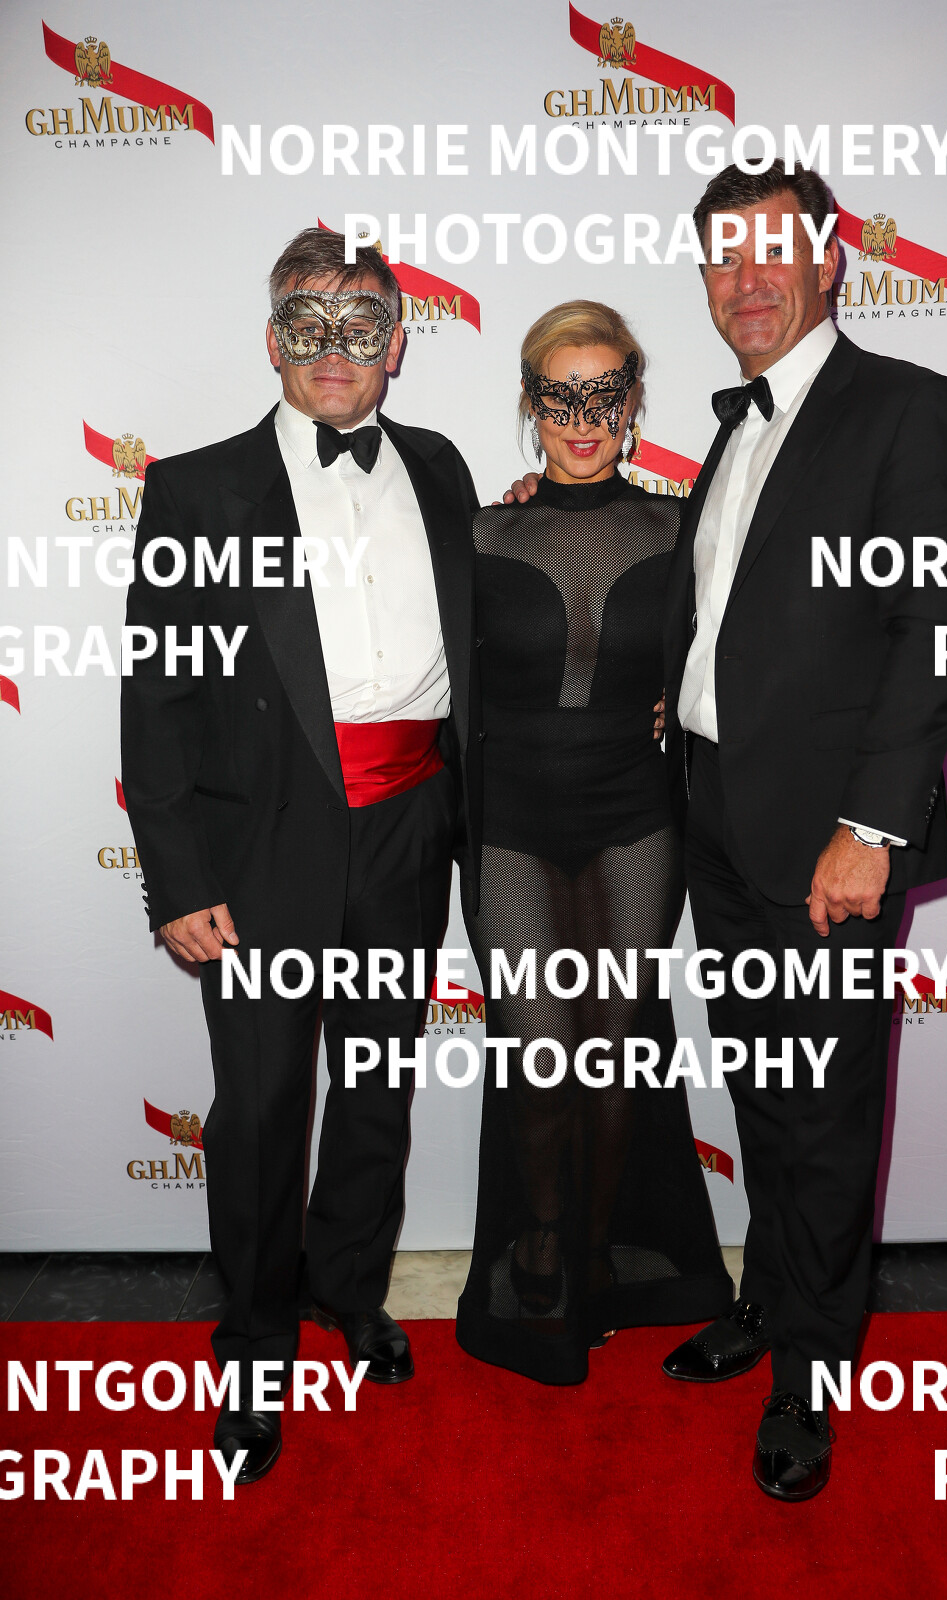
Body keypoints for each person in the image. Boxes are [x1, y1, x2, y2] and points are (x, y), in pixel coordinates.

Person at [508, 163, 947, 1498]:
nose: (747, 279)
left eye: (774, 251)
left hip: (830, 838)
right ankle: (770, 1301)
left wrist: (870, 826)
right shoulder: (734, 430)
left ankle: (810, 1374)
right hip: (714, 817)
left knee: (823, 1112)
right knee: (767, 1092)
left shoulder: (910, 409)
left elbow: (933, 631)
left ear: (831, 259)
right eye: (722, 259)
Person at [120, 228, 480, 1482]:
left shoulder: (439, 466)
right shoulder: (196, 490)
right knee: (266, 1107)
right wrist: (177, 878)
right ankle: (256, 1343)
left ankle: (350, 1292)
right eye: (309, 325)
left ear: (396, 344)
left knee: (375, 1086)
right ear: (272, 341)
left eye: (361, 325)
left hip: (410, 826)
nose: (336, 350)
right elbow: (157, 697)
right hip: (261, 844)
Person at [456, 301, 735, 1386]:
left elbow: (743, 644)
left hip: (635, 820)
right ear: (530, 405)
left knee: (614, 1052)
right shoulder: (479, 534)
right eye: (559, 396)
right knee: (538, 1056)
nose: (582, 419)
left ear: (632, 402)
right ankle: (538, 1234)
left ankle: (594, 1246)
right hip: (511, 829)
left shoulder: (682, 527)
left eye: (603, 394)